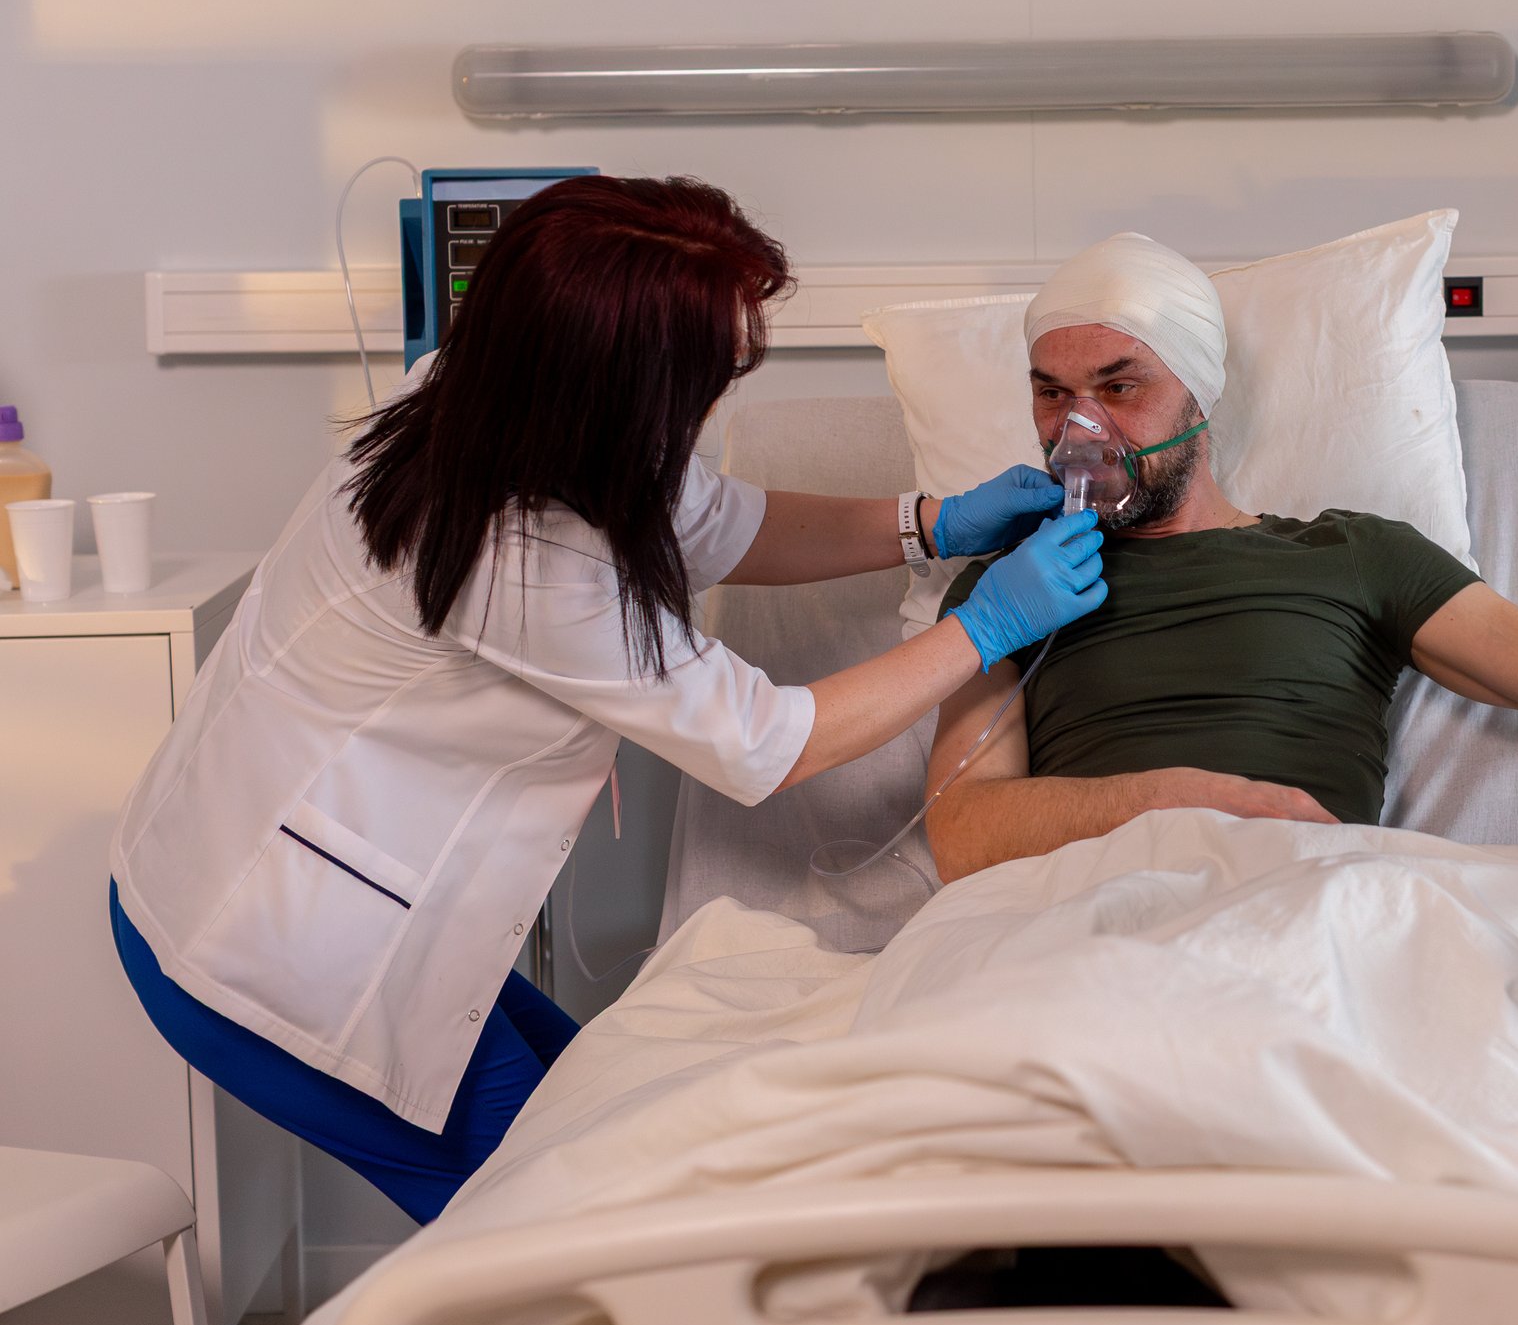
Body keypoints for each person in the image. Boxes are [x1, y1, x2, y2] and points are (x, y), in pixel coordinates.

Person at [107, 176, 1106, 1223]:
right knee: (548, 1236)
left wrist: (928, 521)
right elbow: (768, 741)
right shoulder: (520, 558)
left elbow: (720, 523)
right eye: (713, 374)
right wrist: (984, 626)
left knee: (594, 1129)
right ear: (620, 382)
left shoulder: (506, 398)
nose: (721, 400)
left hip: (317, 880)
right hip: (278, 951)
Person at [926, 231, 1518, 883]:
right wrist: (1174, 802)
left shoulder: (1349, 554)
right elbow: (963, 831)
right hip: (1074, 918)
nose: (1081, 431)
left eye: (1120, 387)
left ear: (1198, 396)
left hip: (1310, 908)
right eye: (1053, 394)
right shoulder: (1007, 591)